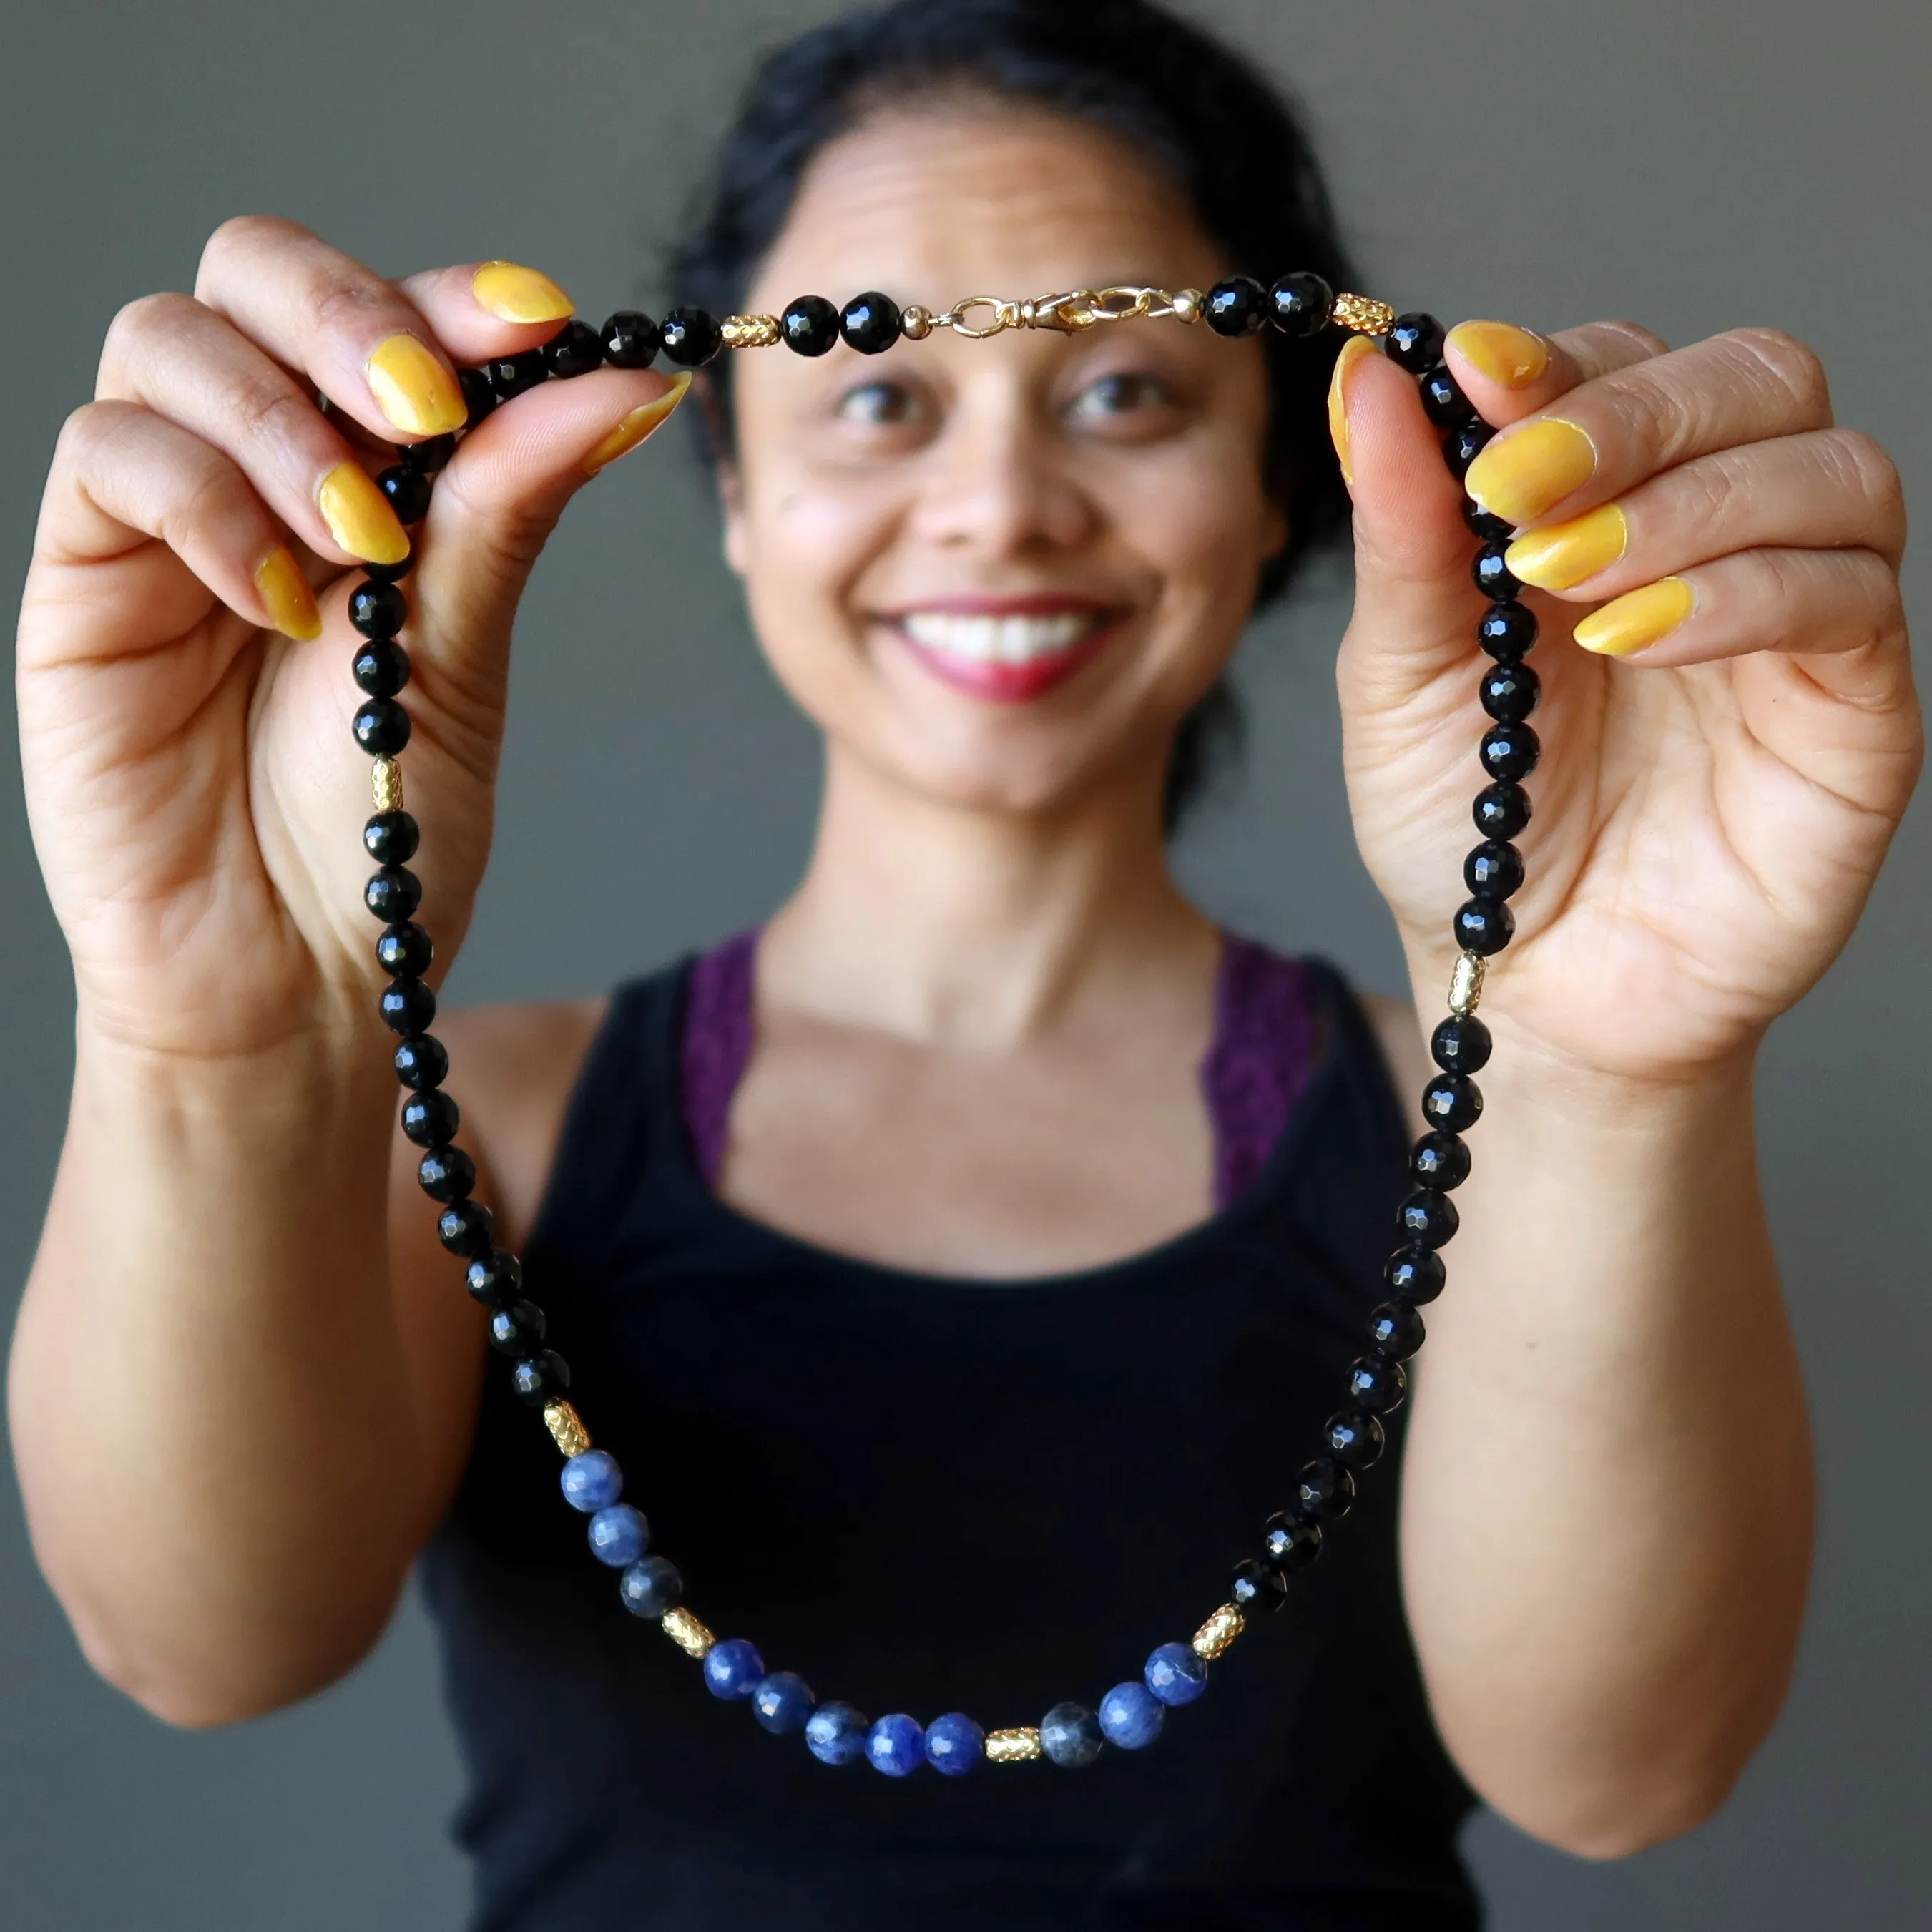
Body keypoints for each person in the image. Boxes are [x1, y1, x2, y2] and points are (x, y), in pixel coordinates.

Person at [8, 0, 1918, 1924]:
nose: (1000, 503)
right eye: (871, 389)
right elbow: (198, 1646)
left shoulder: (1482, 1125)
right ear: (731, 484)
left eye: (1126, 392)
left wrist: (1604, 1070)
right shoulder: (481, 1128)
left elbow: (1625, 1774)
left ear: (1282, 480)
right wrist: (216, 1032)